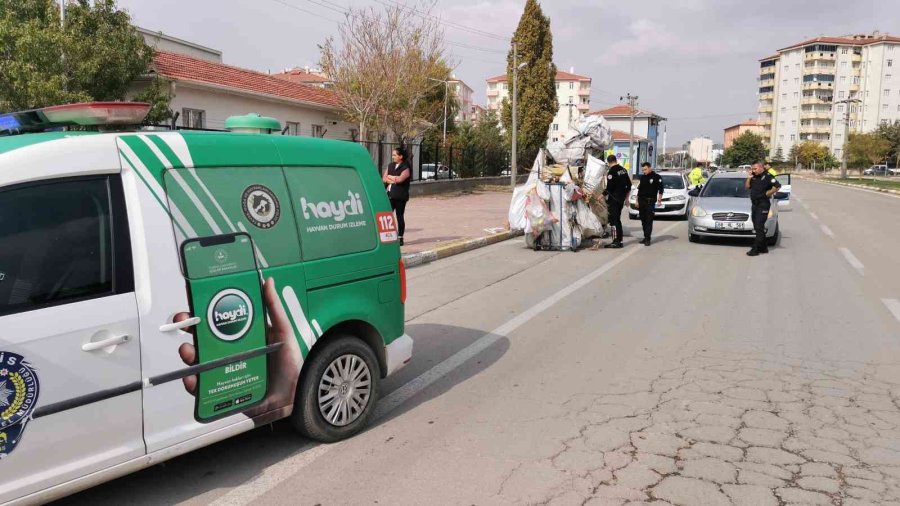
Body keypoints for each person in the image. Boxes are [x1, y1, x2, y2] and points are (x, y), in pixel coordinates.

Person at [745, 161, 781, 256]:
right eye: (752, 169)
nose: (753, 170)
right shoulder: (754, 177)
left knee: (759, 226)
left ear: (761, 168)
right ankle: (764, 247)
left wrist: (767, 194)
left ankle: (755, 249)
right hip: (755, 205)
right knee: (757, 227)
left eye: (755, 169)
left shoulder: (768, 176)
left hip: (763, 204)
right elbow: (747, 187)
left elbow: (777, 186)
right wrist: (748, 178)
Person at [602, 154, 632, 248]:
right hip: (621, 199)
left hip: (614, 200)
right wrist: (626, 198)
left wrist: (601, 195)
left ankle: (615, 241)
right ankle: (620, 241)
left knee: (613, 221)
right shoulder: (623, 170)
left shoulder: (611, 172)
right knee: (618, 220)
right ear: (615, 160)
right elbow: (629, 185)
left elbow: (609, 188)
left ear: (608, 162)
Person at [383, 147, 412, 246]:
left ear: (401, 156)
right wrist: (393, 179)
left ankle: (400, 237)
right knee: (387, 215)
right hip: (389, 194)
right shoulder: (390, 165)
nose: (393, 157)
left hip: (400, 196)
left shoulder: (406, 168)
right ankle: (389, 236)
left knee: (399, 216)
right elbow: (384, 178)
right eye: (393, 155)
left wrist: (391, 178)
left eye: (395, 155)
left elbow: (400, 180)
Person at [636, 162, 664, 246]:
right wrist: (637, 201)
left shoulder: (656, 177)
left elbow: (661, 189)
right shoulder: (642, 178)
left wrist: (659, 199)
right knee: (643, 220)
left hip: (650, 202)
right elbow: (639, 190)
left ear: (649, 168)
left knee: (649, 220)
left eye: (645, 169)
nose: (644, 171)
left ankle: (648, 239)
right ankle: (645, 236)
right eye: (643, 170)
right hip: (642, 201)